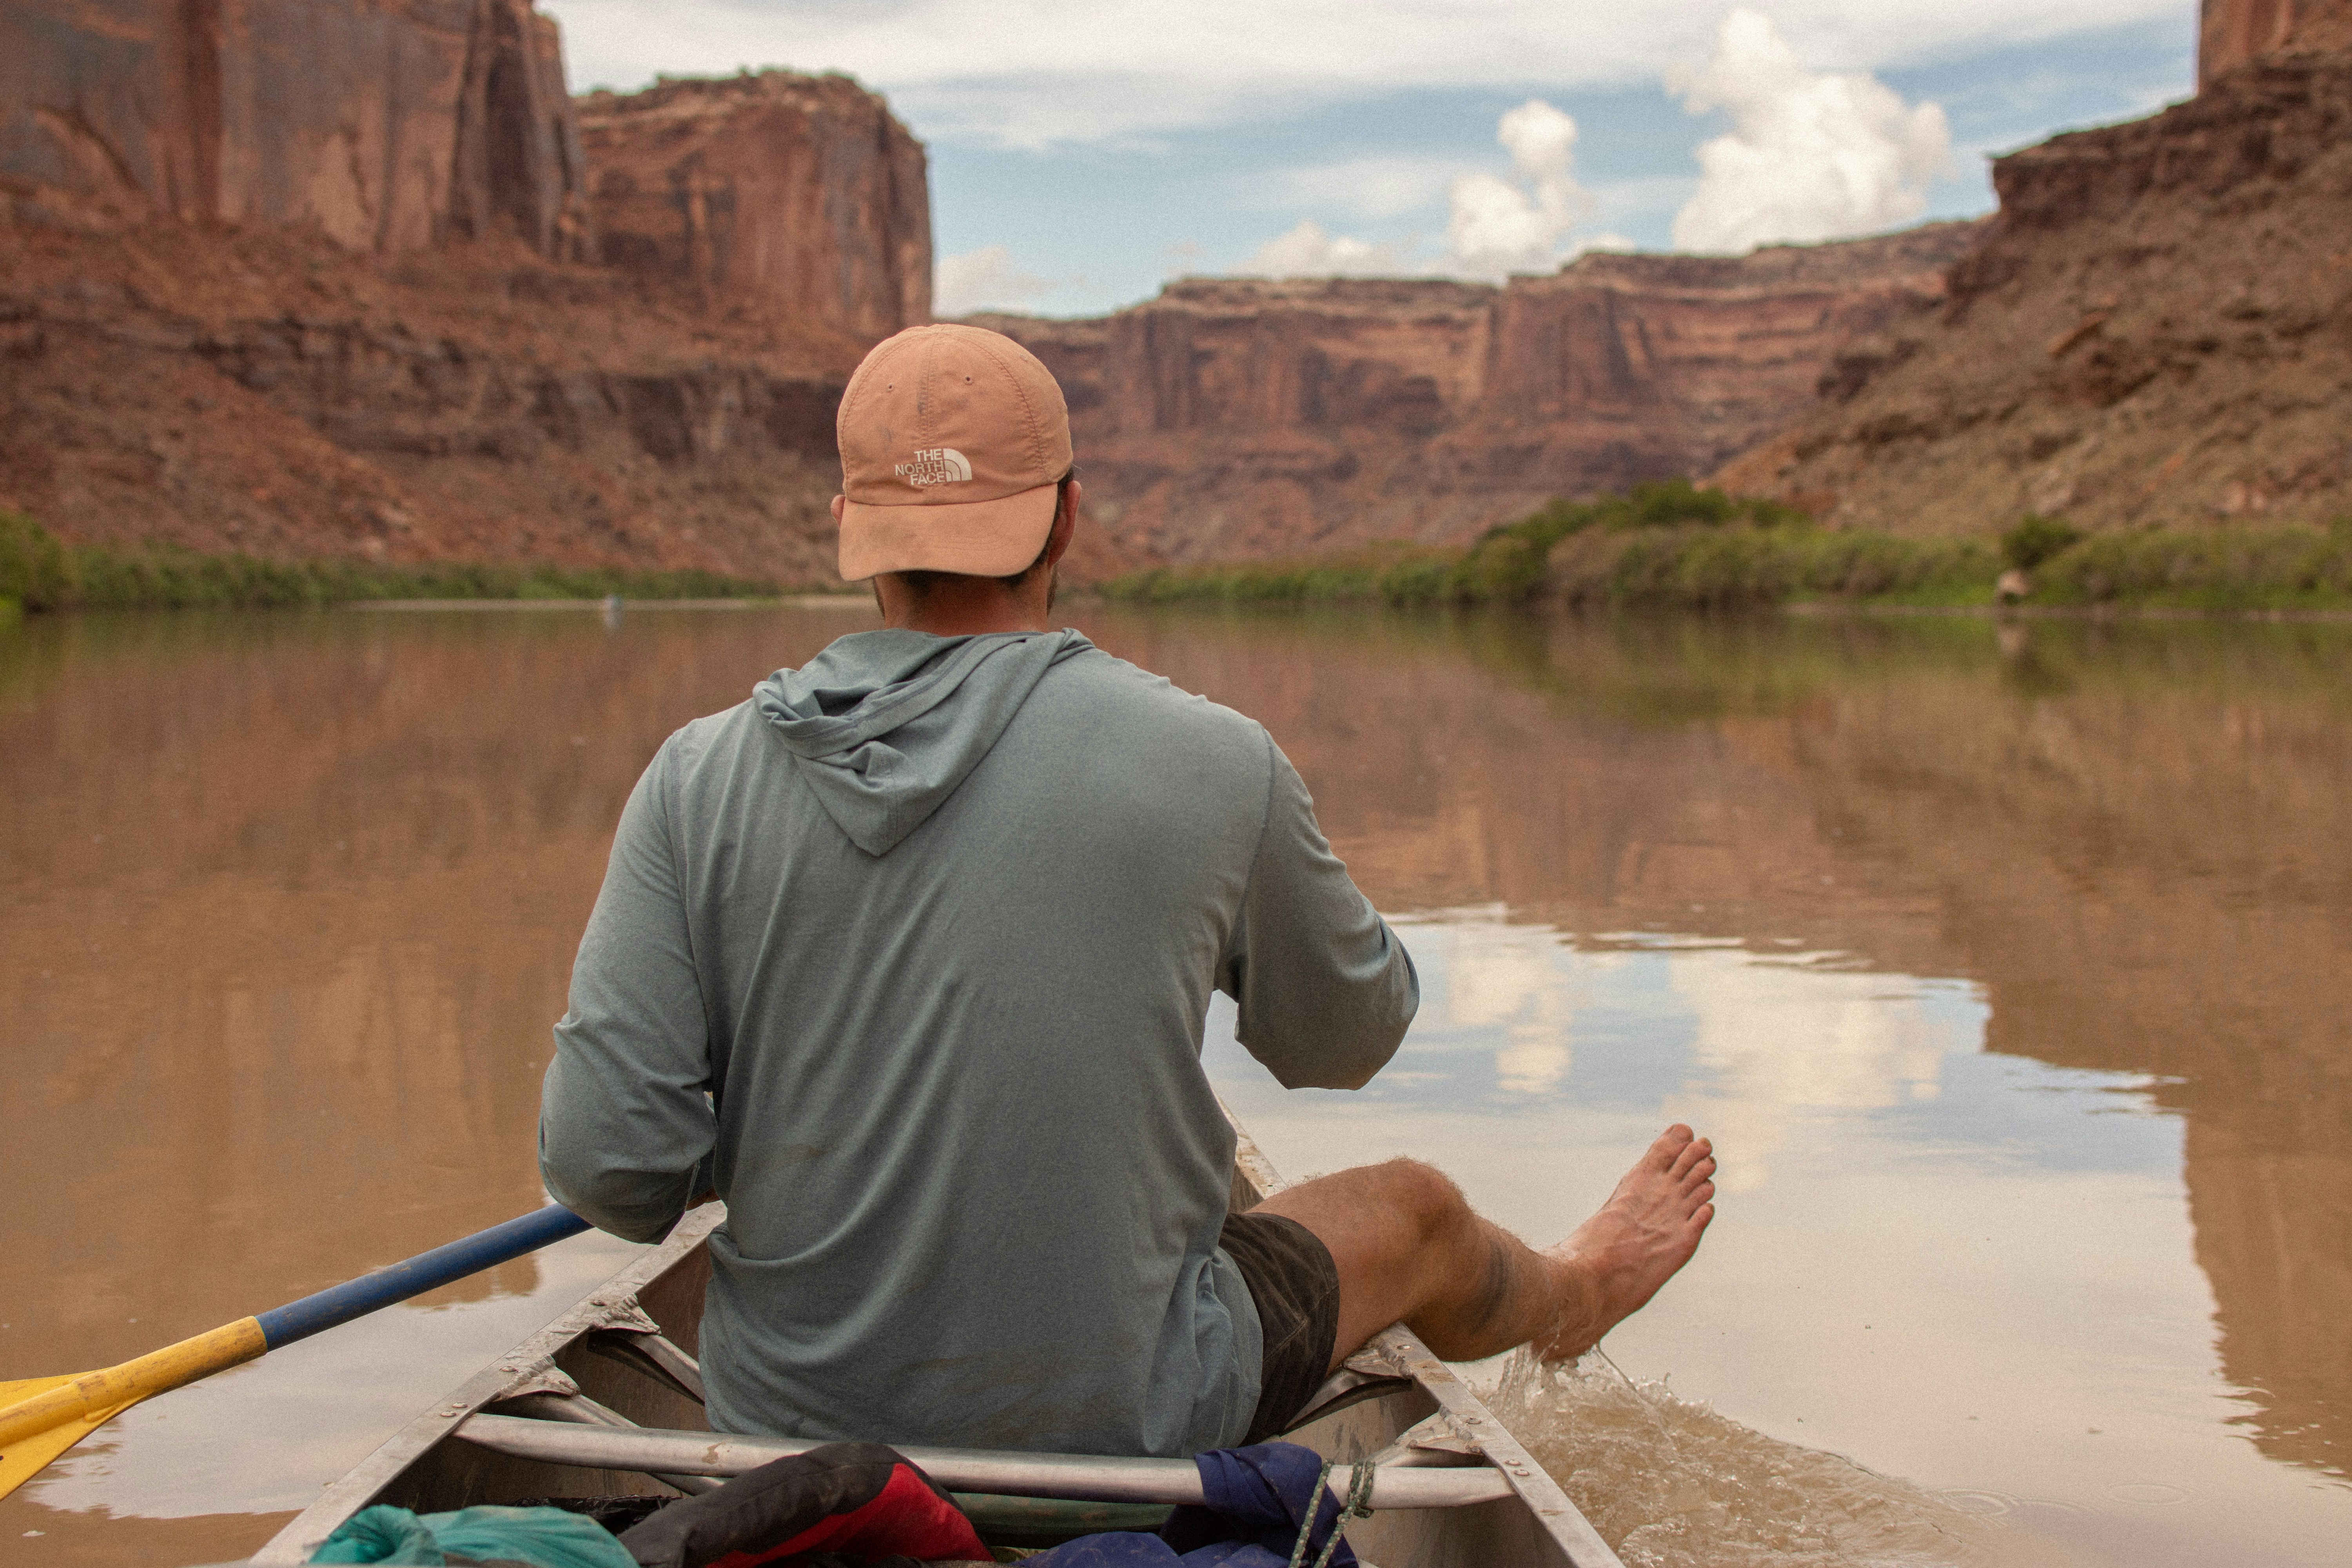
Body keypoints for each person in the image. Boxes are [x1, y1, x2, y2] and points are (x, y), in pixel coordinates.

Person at [538, 323, 1714, 1460]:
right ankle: (1582, 1291)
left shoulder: (694, 777)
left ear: (849, 527)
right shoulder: (1213, 760)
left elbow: (610, 1171)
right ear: (1068, 515)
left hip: (781, 1438)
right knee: (1416, 1212)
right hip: (1139, 1419)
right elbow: (1350, 1040)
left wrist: (781, 1120)